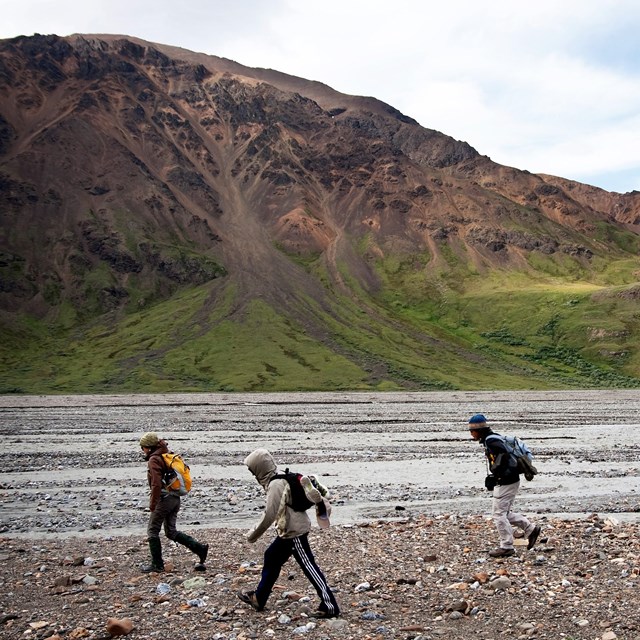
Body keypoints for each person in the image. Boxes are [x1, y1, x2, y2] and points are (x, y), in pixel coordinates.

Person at [237, 448, 340, 618]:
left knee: (309, 567)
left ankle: (330, 606)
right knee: (271, 557)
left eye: (252, 469)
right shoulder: (278, 479)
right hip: (288, 531)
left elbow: (269, 515)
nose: (252, 473)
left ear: (259, 469)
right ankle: (259, 598)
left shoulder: (275, 485)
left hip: (294, 533)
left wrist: (252, 535)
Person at [468, 414, 541, 557]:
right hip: (511, 480)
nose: (471, 434)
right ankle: (530, 529)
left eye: (472, 431)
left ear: (479, 430)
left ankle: (507, 546)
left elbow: (504, 459)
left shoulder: (492, 442)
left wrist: (497, 474)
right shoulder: (493, 438)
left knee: (498, 514)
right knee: (504, 513)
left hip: (506, 481)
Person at [139, 431, 208, 573]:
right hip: (175, 498)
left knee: (152, 530)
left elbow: (156, 484)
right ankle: (199, 548)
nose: (142, 450)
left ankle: (157, 565)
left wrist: (152, 504)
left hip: (164, 500)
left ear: (149, 447)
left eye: (143, 447)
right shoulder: (165, 454)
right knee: (170, 531)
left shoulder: (154, 459)